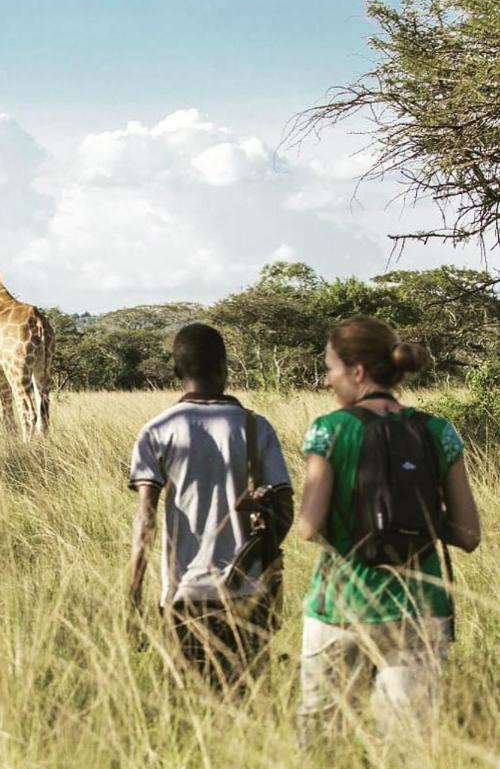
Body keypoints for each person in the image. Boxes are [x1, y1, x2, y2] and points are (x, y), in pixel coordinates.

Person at [296, 315, 481, 741]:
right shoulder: (439, 431)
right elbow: (468, 534)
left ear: (356, 372)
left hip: (341, 603)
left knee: (322, 739)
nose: (327, 380)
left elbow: (307, 527)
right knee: (408, 747)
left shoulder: (329, 430)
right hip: (420, 609)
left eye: (330, 368)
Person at [128, 323, 294, 688]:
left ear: (176, 372)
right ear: (224, 367)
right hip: (250, 593)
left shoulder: (157, 430)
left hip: (185, 592)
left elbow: (146, 520)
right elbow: (286, 512)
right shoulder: (257, 427)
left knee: (193, 697)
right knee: (251, 696)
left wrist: (134, 595)